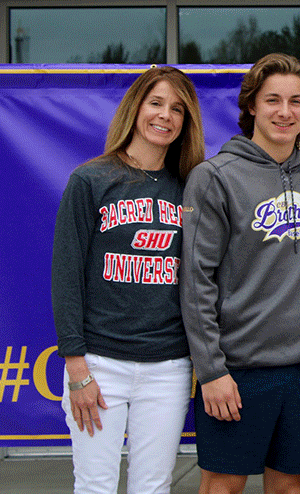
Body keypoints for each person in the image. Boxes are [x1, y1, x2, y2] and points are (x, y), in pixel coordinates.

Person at [180, 53, 300, 494]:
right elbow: (195, 283)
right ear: (251, 106)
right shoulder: (215, 176)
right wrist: (210, 371)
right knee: (222, 487)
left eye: (296, 101)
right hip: (239, 369)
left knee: (289, 487)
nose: (284, 112)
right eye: (272, 100)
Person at [52, 66, 206, 494]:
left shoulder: (192, 186)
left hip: (169, 367)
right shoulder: (91, 179)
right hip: (100, 364)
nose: (165, 116)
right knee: (95, 484)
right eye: (156, 103)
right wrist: (77, 368)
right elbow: (66, 276)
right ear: (135, 108)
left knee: (153, 485)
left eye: (178, 109)